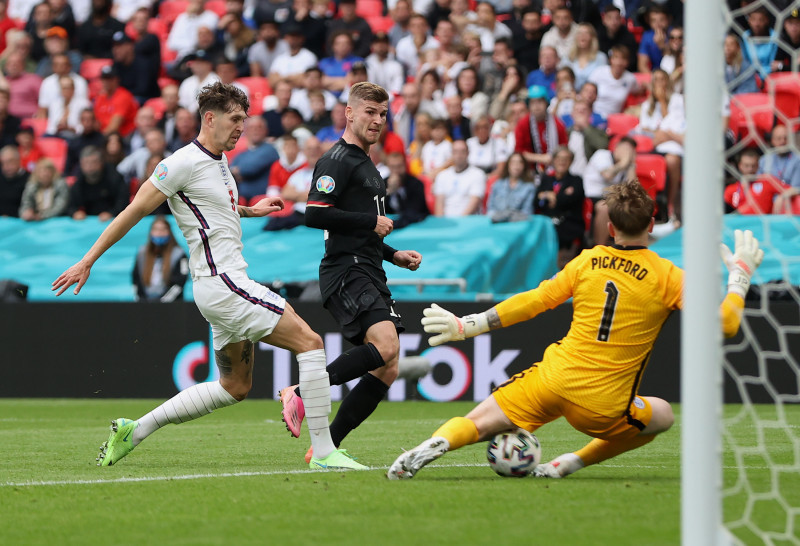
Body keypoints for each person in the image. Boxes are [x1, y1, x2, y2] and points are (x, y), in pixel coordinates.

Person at [52, 82, 367, 471]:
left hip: (216, 288)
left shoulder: (218, 160)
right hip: (226, 284)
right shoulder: (180, 163)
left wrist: (252, 210)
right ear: (210, 118)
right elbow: (133, 211)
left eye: (245, 120)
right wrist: (88, 260)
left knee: (235, 387)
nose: (242, 128)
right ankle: (324, 453)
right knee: (311, 343)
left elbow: (214, 212)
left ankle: (134, 431)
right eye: (235, 120)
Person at [387, 181, 765, 480]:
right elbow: (727, 325)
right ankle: (568, 463)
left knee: (479, 421)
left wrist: (466, 324)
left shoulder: (588, 261)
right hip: (602, 405)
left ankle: (436, 442)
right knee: (662, 415)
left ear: (611, 227)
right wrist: (739, 278)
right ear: (652, 225)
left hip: (553, 378)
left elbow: (534, 301)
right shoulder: (669, 276)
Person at [278, 82, 422, 464]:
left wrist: (394, 255)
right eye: (370, 112)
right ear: (350, 113)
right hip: (345, 270)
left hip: (369, 268)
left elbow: (362, 230)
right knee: (388, 347)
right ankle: (302, 392)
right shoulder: (336, 160)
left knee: (387, 367)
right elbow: (314, 213)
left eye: (382, 114)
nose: (376, 120)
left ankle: (324, 451)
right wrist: (370, 221)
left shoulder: (367, 165)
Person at [535, 146, 585, 268]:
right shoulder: (546, 179)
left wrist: (550, 196)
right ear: (554, 160)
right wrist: (548, 194)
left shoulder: (576, 180)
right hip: (547, 222)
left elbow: (570, 201)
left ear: (571, 161)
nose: (562, 161)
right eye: (559, 158)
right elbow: (535, 202)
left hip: (568, 222)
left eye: (566, 159)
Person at [132, 215, 189, 302]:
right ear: (151, 232)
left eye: (163, 229)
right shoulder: (142, 253)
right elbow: (135, 279)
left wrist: (162, 302)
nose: (159, 233)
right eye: (156, 229)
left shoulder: (179, 254)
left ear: (169, 232)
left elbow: (180, 282)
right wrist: (141, 301)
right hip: (145, 305)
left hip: (171, 306)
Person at [67, 145, 128, 221]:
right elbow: (70, 206)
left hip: (114, 220)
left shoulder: (114, 177)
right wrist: (75, 213)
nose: (89, 167)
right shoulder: (80, 182)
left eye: (93, 162)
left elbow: (123, 202)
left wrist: (112, 213)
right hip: (90, 221)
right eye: (86, 163)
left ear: (101, 163)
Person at [229, 115, 279, 200]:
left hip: (261, 202)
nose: (256, 130)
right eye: (252, 127)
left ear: (266, 130)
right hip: (241, 201)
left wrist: (239, 172)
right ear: (246, 131)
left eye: (259, 127)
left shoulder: (270, 150)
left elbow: (250, 169)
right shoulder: (243, 153)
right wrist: (238, 172)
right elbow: (229, 171)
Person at [433, 138, 487, 217]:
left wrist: (458, 224)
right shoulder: (442, 176)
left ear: (468, 153)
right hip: (447, 222)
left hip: (468, 221)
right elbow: (439, 204)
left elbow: (474, 203)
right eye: (456, 152)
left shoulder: (478, 174)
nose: (459, 155)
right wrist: (441, 224)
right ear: (451, 154)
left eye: (462, 151)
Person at [383, 150, 430, 229]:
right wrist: (389, 191)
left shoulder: (416, 184)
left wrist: (393, 225)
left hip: (416, 225)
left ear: (405, 165)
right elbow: (378, 209)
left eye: (399, 166)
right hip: (391, 224)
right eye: (393, 167)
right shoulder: (382, 184)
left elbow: (413, 211)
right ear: (388, 167)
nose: (396, 171)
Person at [485, 150, 534, 223]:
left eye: (520, 162)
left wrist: (507, 217)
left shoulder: (529, 187)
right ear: (508, 165)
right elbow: (490, 209)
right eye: (513, 162)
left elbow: (527, 213)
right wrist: (501, 218)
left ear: (524, 166)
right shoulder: (497, 184)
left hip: (517, 225)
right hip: (497, 225)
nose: (516, 165)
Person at [0, 145, 28, 216]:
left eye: (10, 161)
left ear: (19, 160)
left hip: (20, 222)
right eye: (3, 163)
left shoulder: (29, 179)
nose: (6, 166)